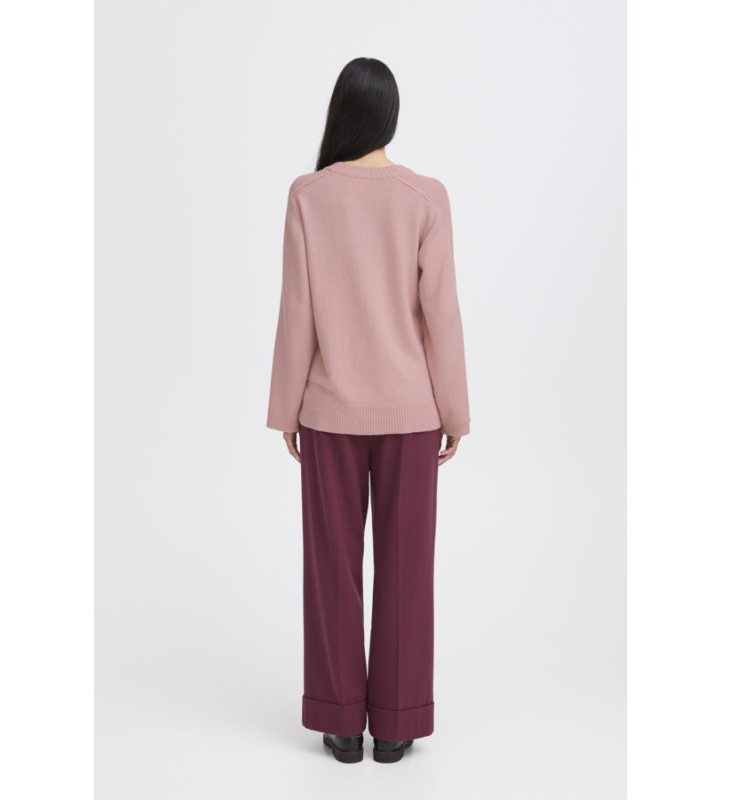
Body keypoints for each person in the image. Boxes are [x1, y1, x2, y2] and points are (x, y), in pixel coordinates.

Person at [266, 56, 471, 764]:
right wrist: (455, 414)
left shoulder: (308, 195)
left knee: (331, 569)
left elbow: (298, 309)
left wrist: (286, 408)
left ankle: (341, 723)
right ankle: (397, 724)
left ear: (341, 113)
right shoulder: (426, 196)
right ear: (391, 116)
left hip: (330, 413)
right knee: (408, 571)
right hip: (413, 416)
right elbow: (441, 314)